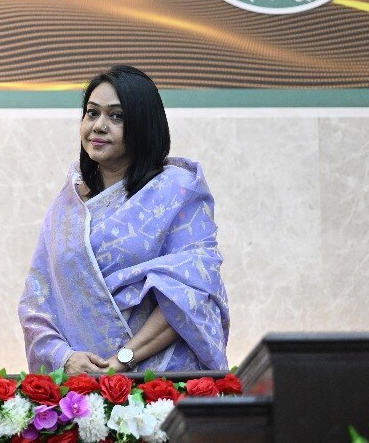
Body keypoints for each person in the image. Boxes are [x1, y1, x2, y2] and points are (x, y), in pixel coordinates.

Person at [18, 65, 230, 374]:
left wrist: (121, 361)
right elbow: (36, 301)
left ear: (144, 125)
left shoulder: (176, 190)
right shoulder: (66, 208)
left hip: (160, 381)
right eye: (92, 113)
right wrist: (64, 357)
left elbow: (190, 291)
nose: (99, 126)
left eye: (116, 116)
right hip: (80, 389)